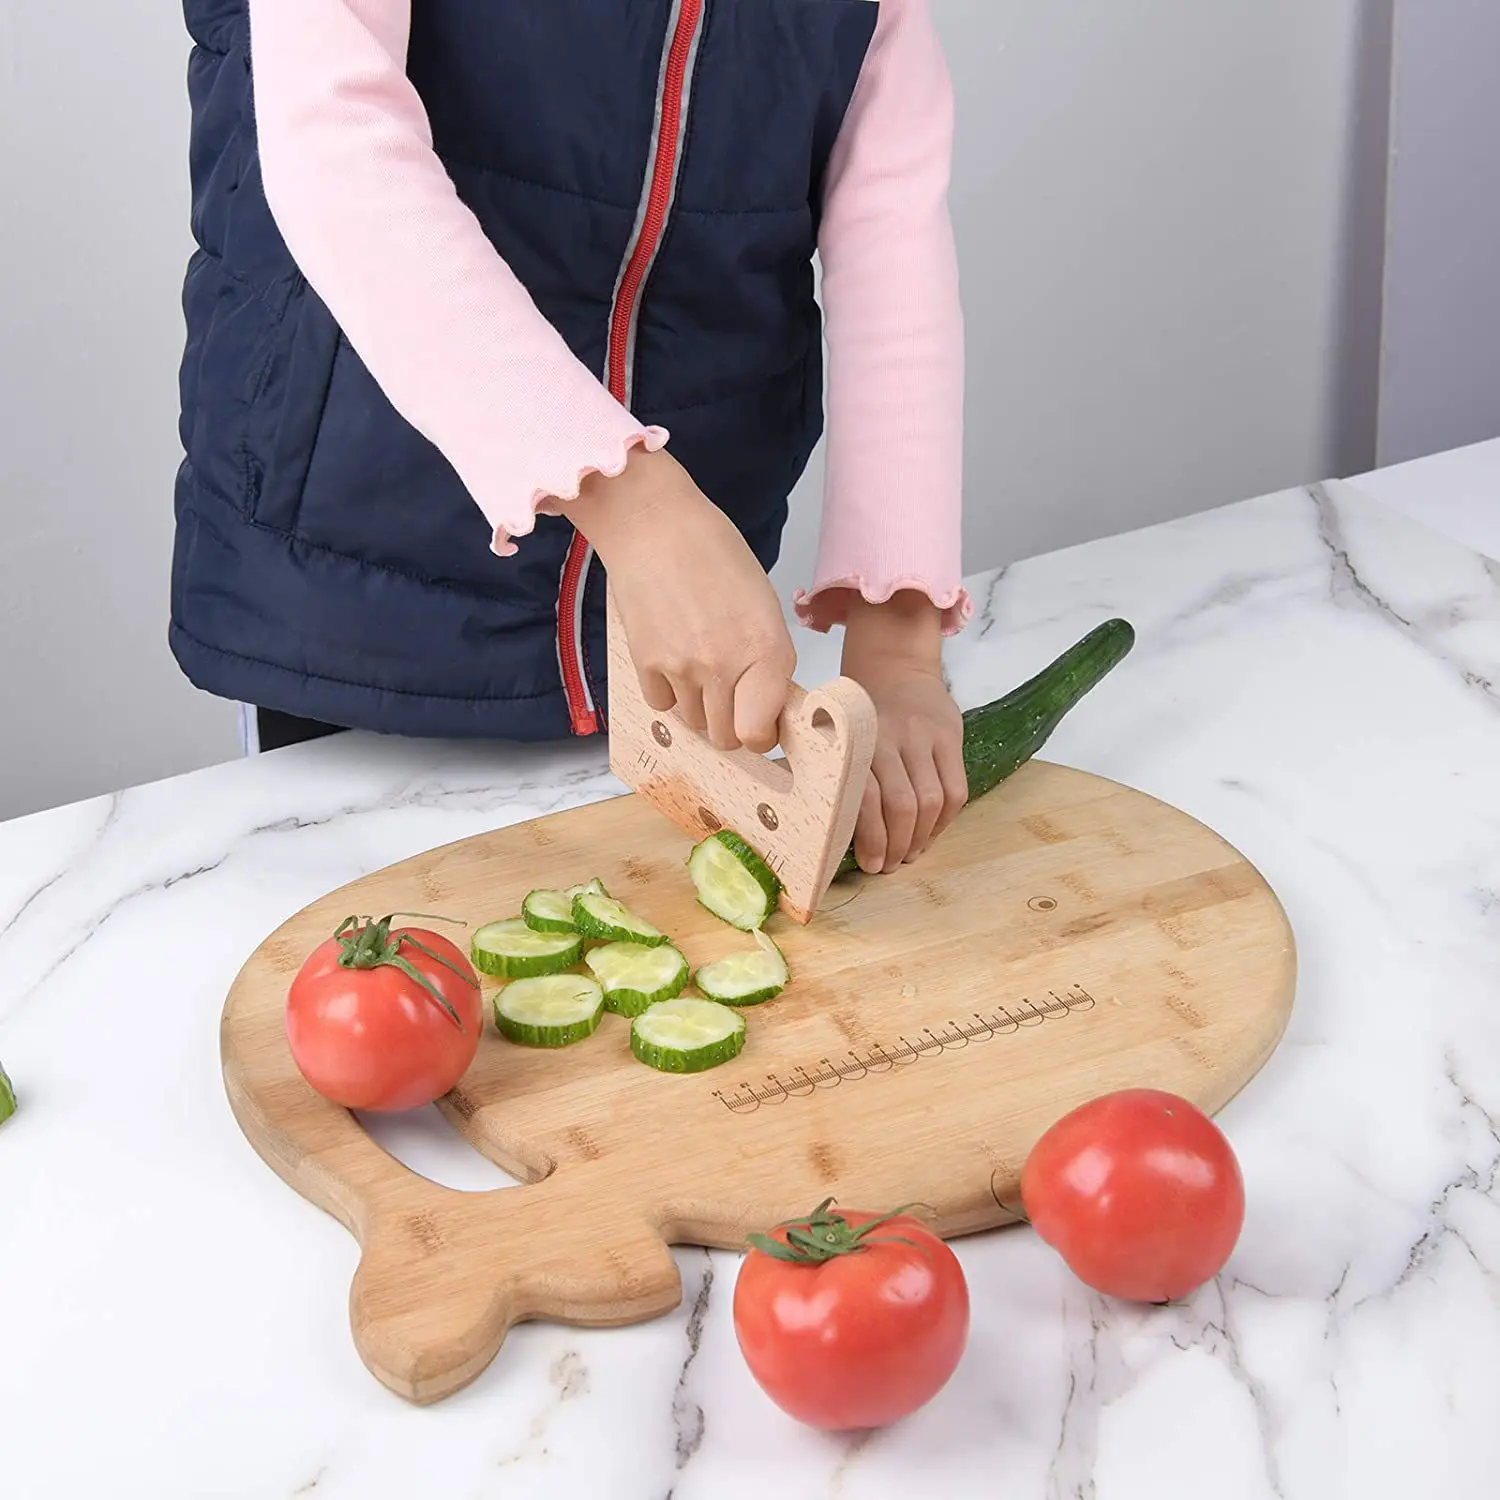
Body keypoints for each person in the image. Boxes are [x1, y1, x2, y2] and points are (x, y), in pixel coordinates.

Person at [171, 0, 972, 874]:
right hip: (353, 589)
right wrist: (644, 517)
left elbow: (888, 223)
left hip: (676, 646)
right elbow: (335, 141)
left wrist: (898, 645)